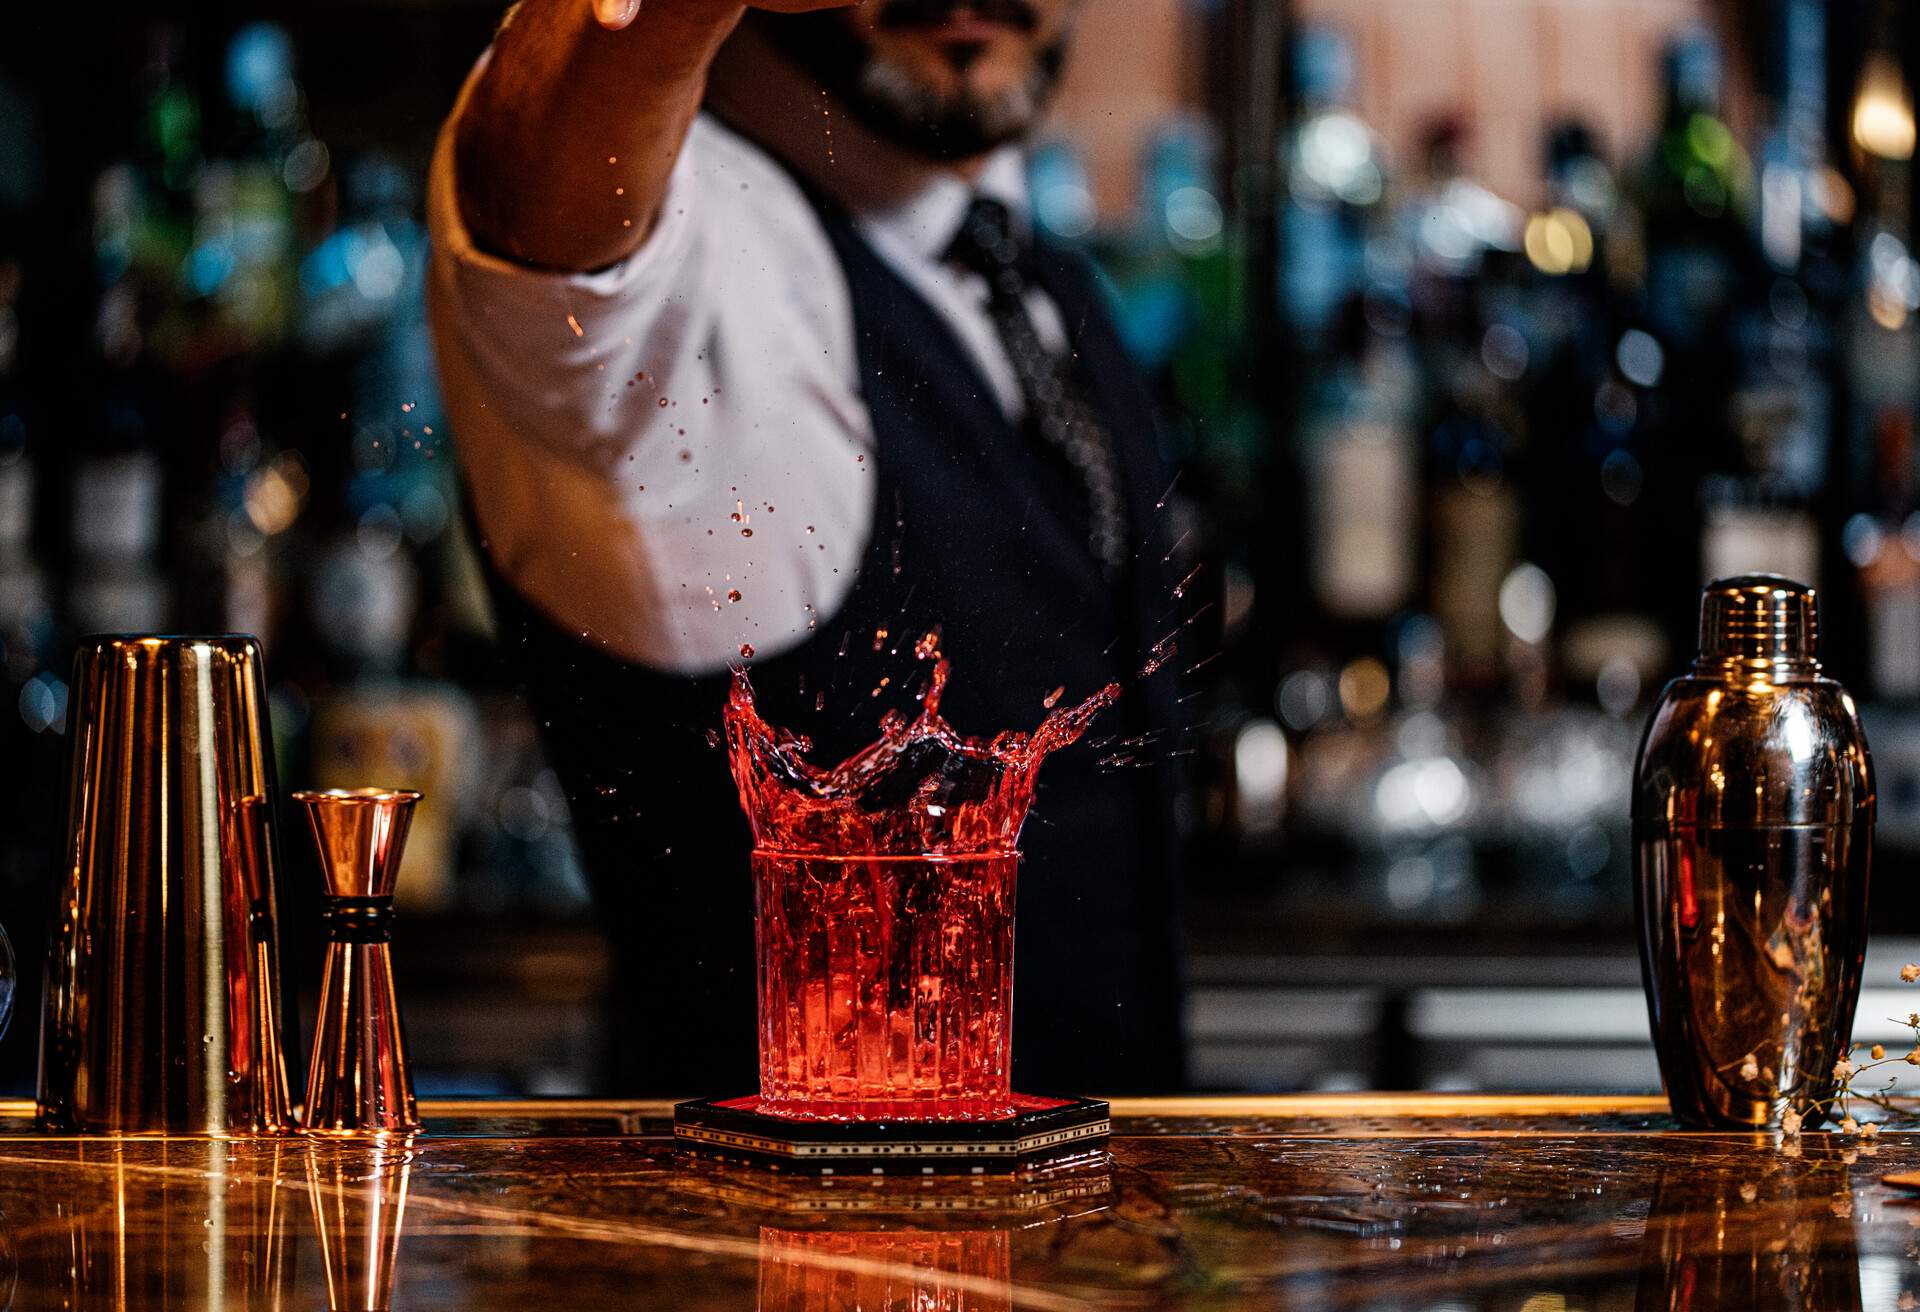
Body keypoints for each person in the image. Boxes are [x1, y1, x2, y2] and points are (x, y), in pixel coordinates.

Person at [428, 0, 1190, 1096]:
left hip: (1098, 1245)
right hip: (769, 1249)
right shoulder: (687, 253)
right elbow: (530, 204)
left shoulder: (1041, 275)